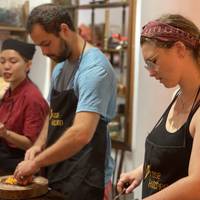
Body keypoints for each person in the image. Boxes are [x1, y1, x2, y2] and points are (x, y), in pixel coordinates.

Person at [14, 3, 117, 200]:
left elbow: (81, 134)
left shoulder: (94, 70)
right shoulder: (60, 68)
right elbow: (54, 114)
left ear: (64, 30)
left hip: (87, 177)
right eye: (40, 46)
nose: (44, 52)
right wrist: (38, 146)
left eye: (46, 43)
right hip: (59, 172)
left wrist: (36, 163)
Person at [117, 14, 200, 199]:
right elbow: (176, 158)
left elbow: (197, 184)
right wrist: (141, 171)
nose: (151, 72)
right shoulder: (177, 96)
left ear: (180, 49)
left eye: (153, 61)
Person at [0, 39, 49, 175]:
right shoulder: (8, 91)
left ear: (28, 65)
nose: (6, 66)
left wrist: (6, 133)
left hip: (20, 165)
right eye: (2, 61)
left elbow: (32, 144)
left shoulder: (32, 97)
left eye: (13, 61)